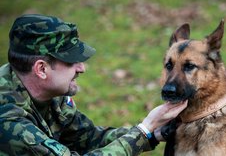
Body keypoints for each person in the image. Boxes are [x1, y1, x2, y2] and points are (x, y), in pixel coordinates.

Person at [0, 14, 188, 156]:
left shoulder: (51, 94)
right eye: (71, 61)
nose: (81, 68)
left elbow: (89, 138)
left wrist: (155, 133)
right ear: (41, 69)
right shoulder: (9, 121)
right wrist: (144, 130)